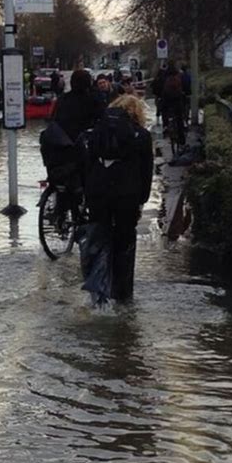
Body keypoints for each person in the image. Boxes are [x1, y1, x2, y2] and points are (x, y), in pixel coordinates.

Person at [82, 94, 153, 305]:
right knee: (125, 244)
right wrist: (142, 200)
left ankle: (98, 293)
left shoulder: (96, 131)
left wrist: (89, 192)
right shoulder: (141, 135)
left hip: (98, 194)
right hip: (127, 195)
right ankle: (123, 296)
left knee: (98, 241)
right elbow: (146, 171)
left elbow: (87, 164)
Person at [160, 61, 186, 147]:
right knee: (179, 119)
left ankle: (166, 125)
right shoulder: (179, 75)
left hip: (167, 99)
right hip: (177, 100)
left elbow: (160, 86)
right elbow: (184, 86)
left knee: (164, 110)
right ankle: (182, 140)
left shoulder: (164, 74)